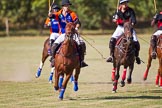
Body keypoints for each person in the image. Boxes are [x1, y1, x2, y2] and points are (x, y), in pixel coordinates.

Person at [48, 0, 88, 67]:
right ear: (63, 7)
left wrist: (76, 28)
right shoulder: (59, 13)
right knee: (54, 45)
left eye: (68, 5)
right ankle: (53, 59)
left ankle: (81, 61)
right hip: (63, 34)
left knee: (82, 44)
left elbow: (78, 22)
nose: (67, 7)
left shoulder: (72, 14)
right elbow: (51, 16)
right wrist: (49, 13)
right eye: (66, 5)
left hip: (73, 34)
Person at [106, 0, 141, 64]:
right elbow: (113, 19)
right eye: (124, 3)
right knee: (112, 40)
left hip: (128, 28)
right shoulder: (117, 11)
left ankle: (136, 56)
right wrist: (115, 19)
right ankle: (111, 56)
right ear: (121, 4)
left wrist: (131, 24)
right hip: (120, 28)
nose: (125, 4)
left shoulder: (130, 10)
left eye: (126, 3)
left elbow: (134, 20)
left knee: (136, 41)